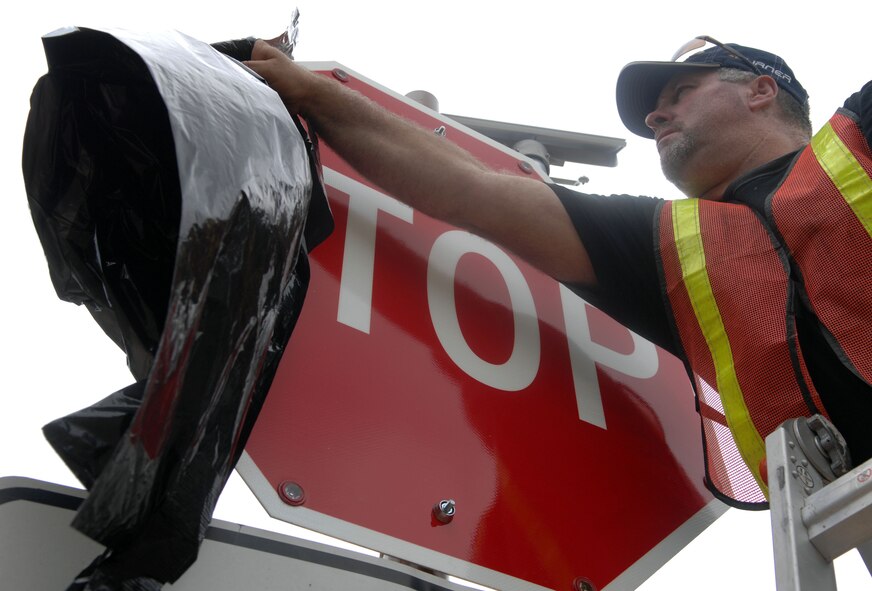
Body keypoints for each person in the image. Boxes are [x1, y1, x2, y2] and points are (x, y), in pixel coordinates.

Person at [245, 36, 871, 508]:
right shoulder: (679, 245)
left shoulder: (857, 143)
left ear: (761, 90)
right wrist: (308, 91)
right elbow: (468, 190)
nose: (655, 118)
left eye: (679, 93)